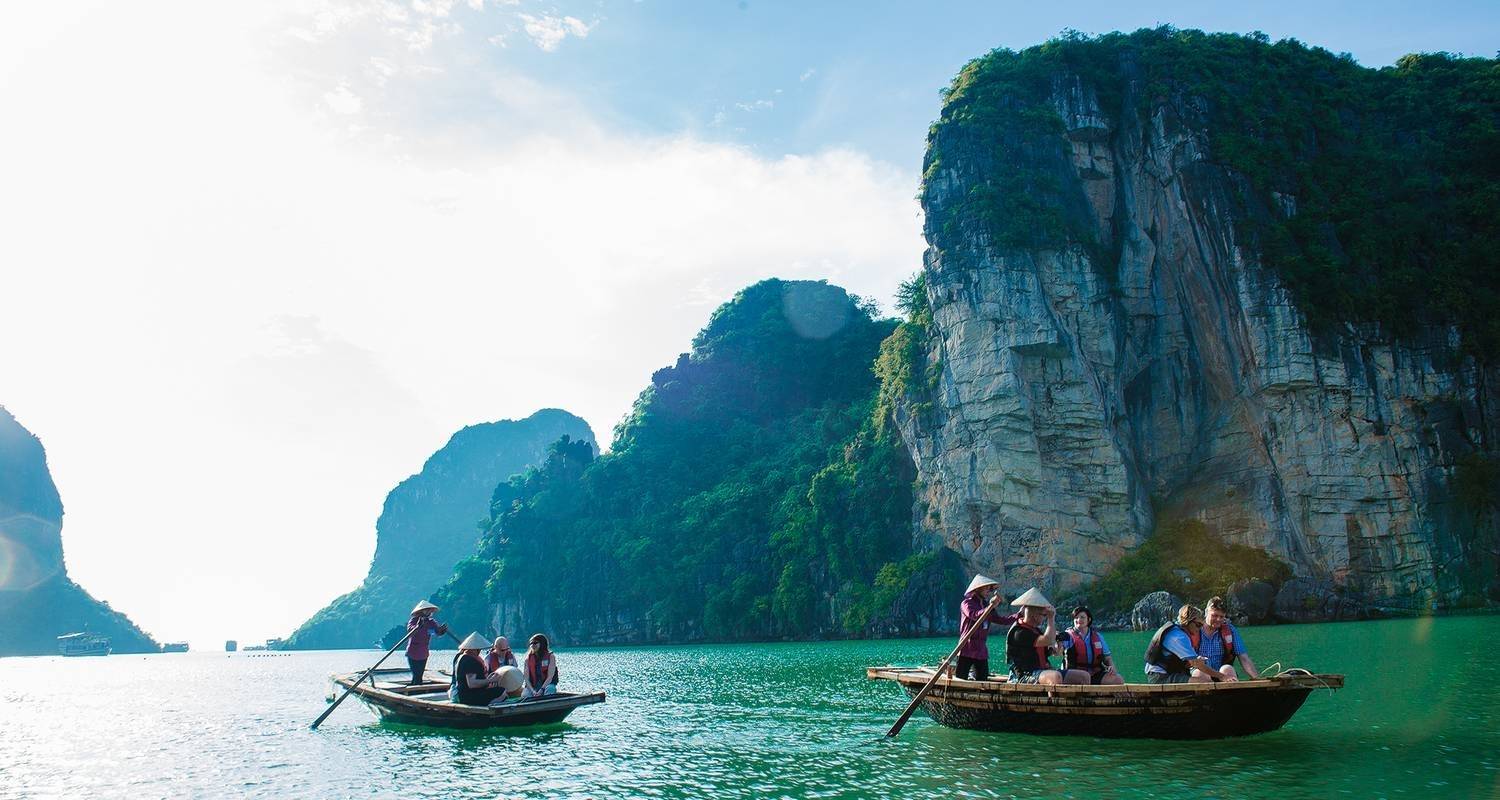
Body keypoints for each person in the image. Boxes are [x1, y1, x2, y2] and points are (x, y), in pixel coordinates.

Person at [1004, 588, 1090, 685]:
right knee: (1055, 677)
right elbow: (1048, 640)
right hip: (1025, 675)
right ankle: (1053, 700)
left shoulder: (1036, 631)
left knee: (1084, 676)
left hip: (1042, 671)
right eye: (1044, 615)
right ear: (1035, 615)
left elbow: (1055, 652)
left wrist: (1058, 644)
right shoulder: (1019, 632)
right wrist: (1051, 618)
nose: (1044, 618)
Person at [954, 574, 1019, 681]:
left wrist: (1018, 616)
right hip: (966, 647)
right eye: (986, 588)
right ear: (978, 588)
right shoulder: (967, 603)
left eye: (989, 588)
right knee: (961, 678)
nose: (988, 590)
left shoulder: (986, 605)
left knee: (982, 678)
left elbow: (1001, 620)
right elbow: (974, 615)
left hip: (980, 649)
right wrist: (990, 606)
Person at [1144, 604, 1224, 684]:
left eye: (1202, 626)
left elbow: (1190, 661)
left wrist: (1192, 662)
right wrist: (1222, 676)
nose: (1200, 629)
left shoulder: (1178, 631)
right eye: (1198, 625)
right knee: (1204, 683)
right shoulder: (1178, 636)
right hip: (1159, 676)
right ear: (1188, 621)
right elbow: (1196, 663)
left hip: (1169, 673)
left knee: (1204, 679)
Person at [1195, 596, 1261, 681]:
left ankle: (1230, 693)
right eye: (1214, 615)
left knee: (1227, 669)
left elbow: (1243, 657)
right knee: (1200, 673)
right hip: (1201, 672)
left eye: (1221, 617)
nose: (1218, 619)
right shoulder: (1195, 629)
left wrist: (1257, 679)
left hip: (1223, 675)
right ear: (1206, 612)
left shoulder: (1230, 630)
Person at [1057, 606, 1124, 685]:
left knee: (1118, 679)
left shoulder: (1097, 636)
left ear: (1088, 620)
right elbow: (1057, 652)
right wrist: (1057, 642)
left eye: (1082, 617)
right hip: (1074, 674)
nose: (1079, 620)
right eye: (1076, 617)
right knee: (1085, 677)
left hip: (1094, 674)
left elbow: (1107, 658)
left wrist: (1112, 668)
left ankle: (1099, 692)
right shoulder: (1067, 636)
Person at [449, 632, 506, 705]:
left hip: (464, 694)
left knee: (497, 690)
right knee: (502, 691)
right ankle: (488, 707)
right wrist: (490, 680)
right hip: (468, 696)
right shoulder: (470, 661)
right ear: (475, 649)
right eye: (479, 649)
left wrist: (488, 679)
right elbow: (471, 683)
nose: (479, 651)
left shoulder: (462, 657)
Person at [405, 600, 448, 685]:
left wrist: (442, 630)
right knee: (416, 674)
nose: (428, 612)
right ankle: (415, 690)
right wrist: (418, 626)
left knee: (419, 674)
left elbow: (437, 632)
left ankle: (416, 690)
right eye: (426, 610)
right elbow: (411, 631)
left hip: (423, 652)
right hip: (413, 651)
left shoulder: (431, 622)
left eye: (429, 610)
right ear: (421, 611)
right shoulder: (414, 620)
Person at [522, 633, 559, 699]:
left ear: (542, 643)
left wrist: (541, 690)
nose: (533, 645)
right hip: (533, 687)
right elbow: (526, 679)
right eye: (531, 643)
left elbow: (550, 677)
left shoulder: (551, 656)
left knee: (549, 689)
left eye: (535, 643)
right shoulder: (528, 659)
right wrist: (533, 691)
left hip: (547, 685)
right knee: (525, 695)